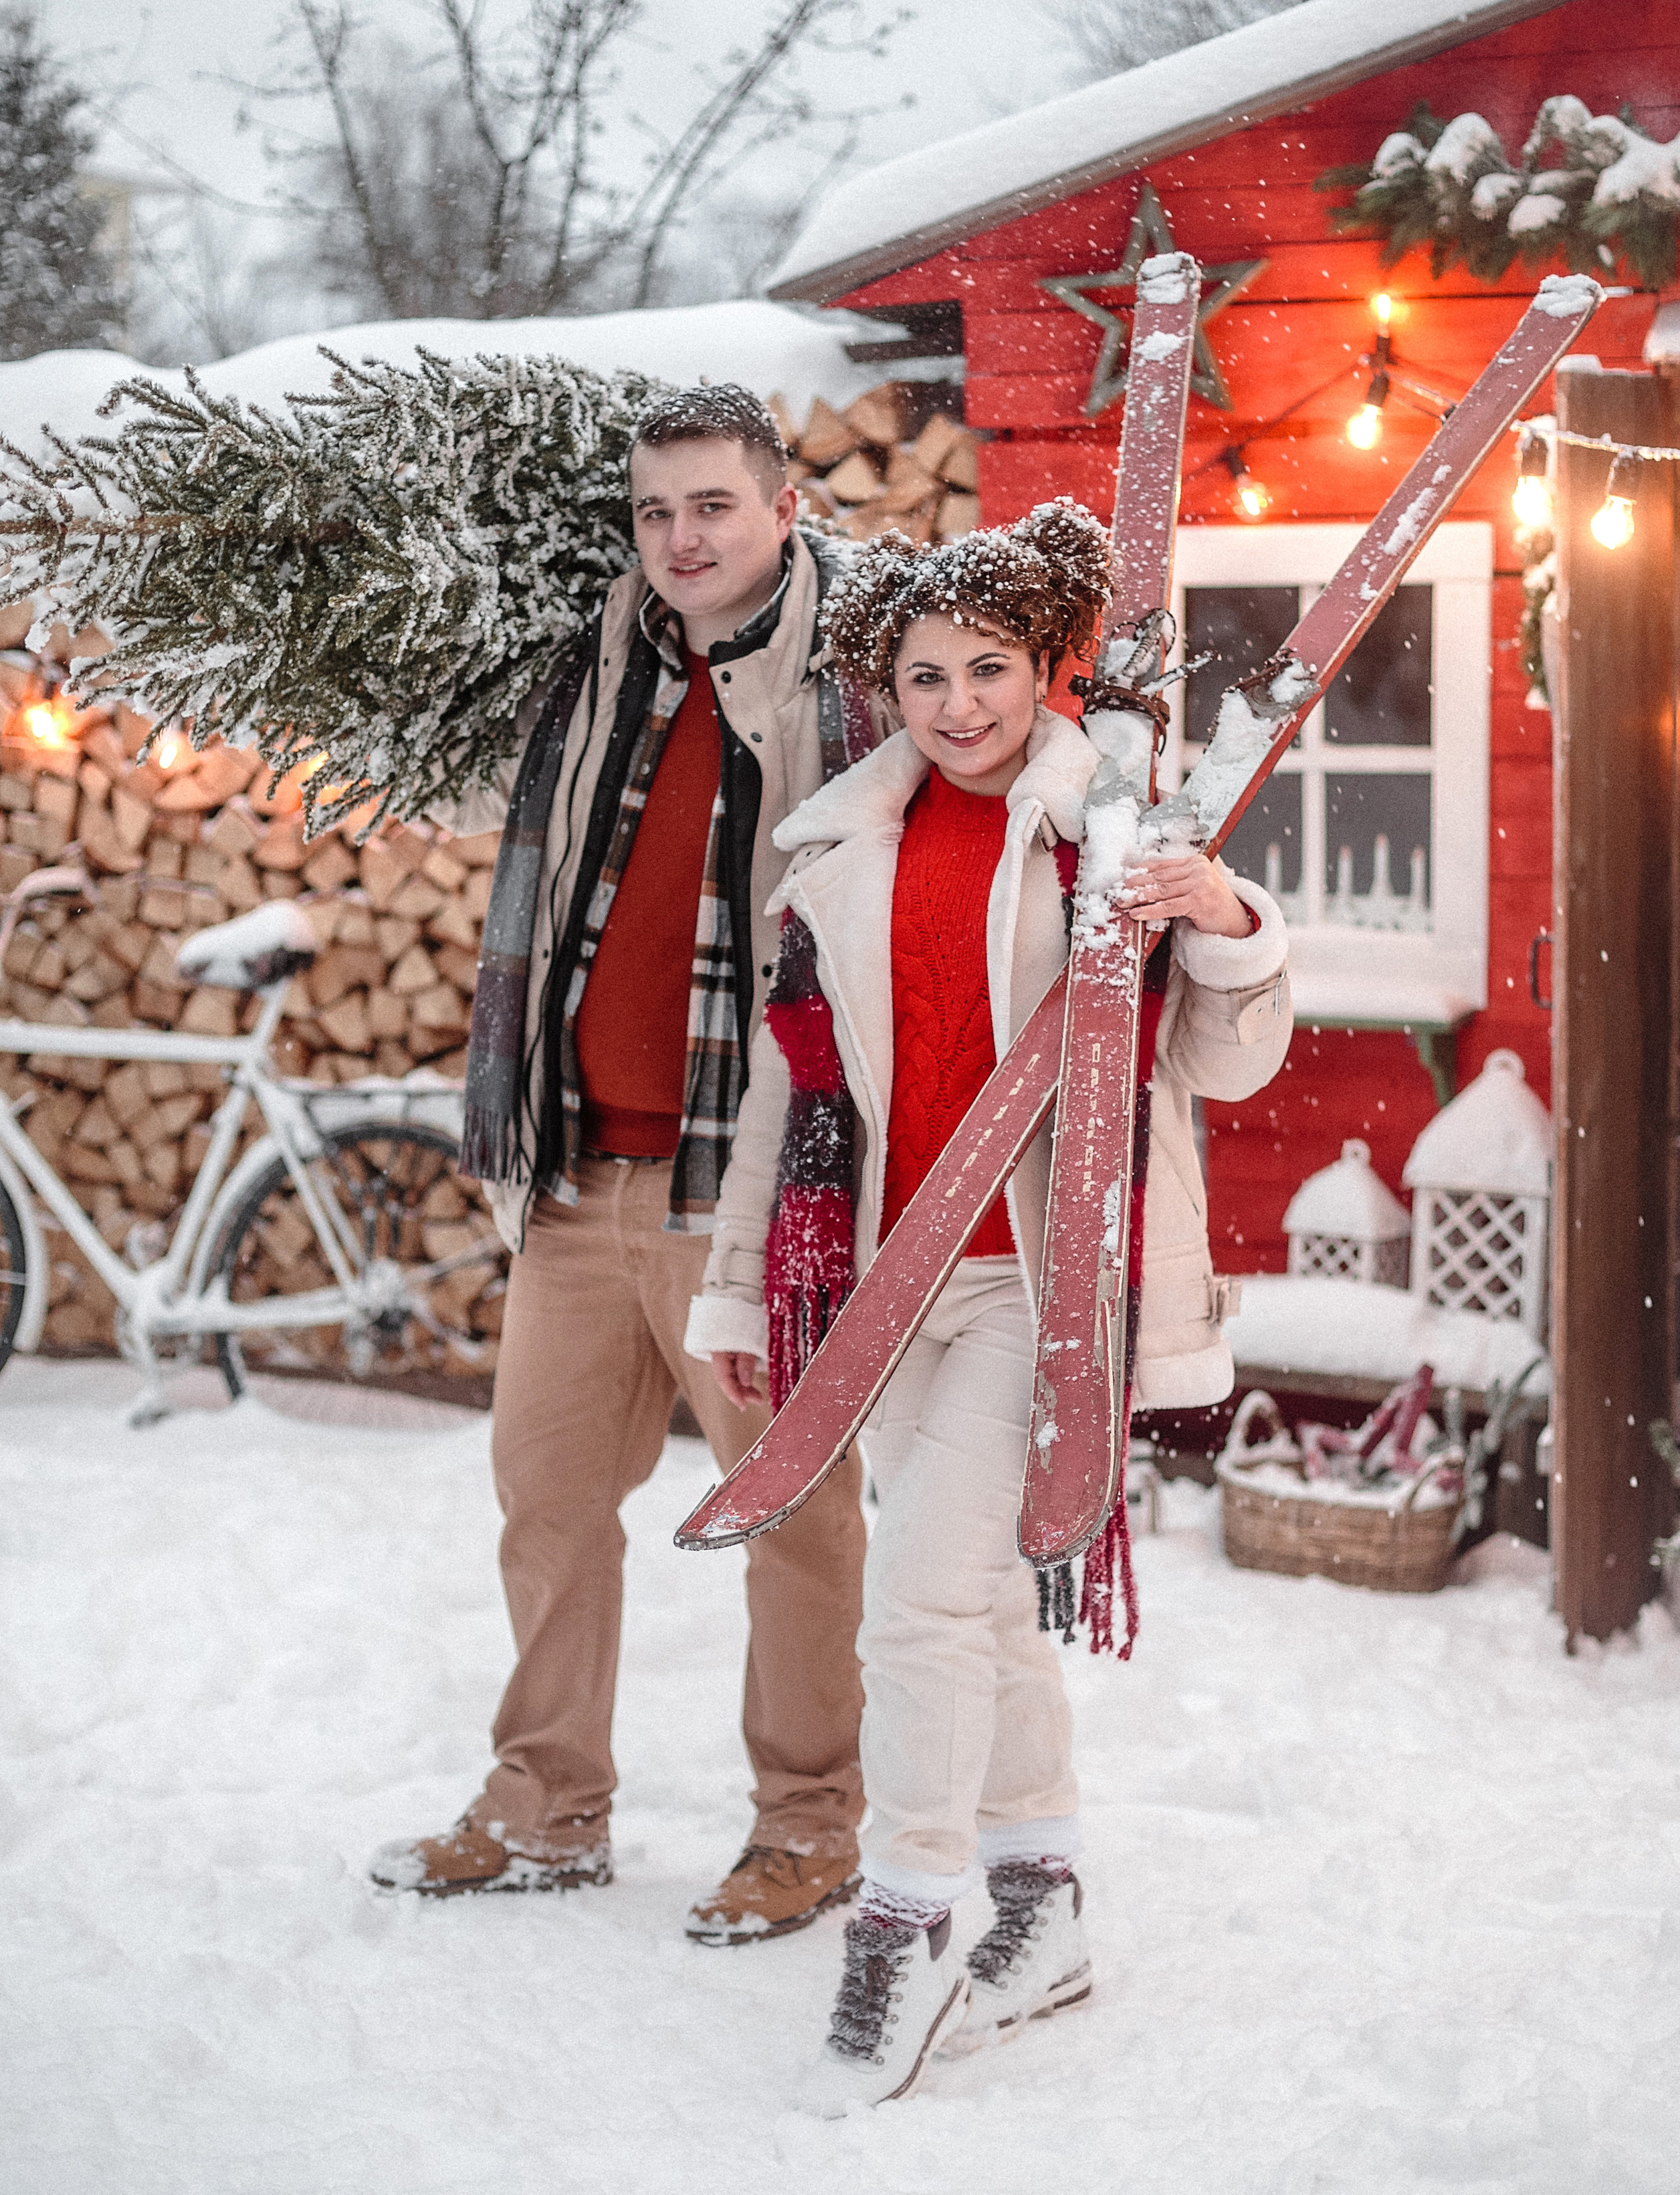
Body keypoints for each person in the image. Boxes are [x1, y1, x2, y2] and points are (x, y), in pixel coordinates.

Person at [684, 502, 1293, 2104]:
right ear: (884, 685)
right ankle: (1043, 1907)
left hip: (1039, 1278)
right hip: (879, 1289)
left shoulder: (1111, 831)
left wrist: (1220, 921)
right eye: (925, 675)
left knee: (914, 1607)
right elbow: (787, 1090)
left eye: (990, 669)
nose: (957, 705)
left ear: (1044, 669)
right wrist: (743, 1292)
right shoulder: (838, 844)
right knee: (973, 1609)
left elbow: (1226, 1062)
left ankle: (905, 1923)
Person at [370, 386, 873, 1946]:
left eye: (712, 506)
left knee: (791, 1512)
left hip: (744, 1187)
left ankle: (807, 1825)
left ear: (784, 509)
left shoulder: (853, 679)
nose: (680, 539)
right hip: (577, 1172)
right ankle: (545, 1805)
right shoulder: (598, 664)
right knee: (545, 1502)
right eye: (655, 511)